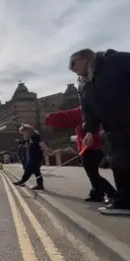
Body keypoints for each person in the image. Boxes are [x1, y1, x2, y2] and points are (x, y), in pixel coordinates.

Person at [69, 48, 130, 214]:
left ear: (86, 57)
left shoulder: (111, 61)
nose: (70, 68)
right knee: (119, 163)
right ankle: (124, 202)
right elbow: (89, 111)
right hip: (113, 128)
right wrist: (90, 131)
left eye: (72, 63)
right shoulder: (84, 85)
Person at [45, 106, 116, 203]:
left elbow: (67, 116)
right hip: (94, 149)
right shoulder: (90, 112)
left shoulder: (84, 112)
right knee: (92, 174)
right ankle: (97, 193)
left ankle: (112, 194)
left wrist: (51, 118)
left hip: (89, 149)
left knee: (93, 175)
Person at [13, 124, 53, 190]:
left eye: (23, 133)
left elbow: (41, 143)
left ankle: (22, 181)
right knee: (36, 171)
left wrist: (47, 150)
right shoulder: (30, 138)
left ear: (28, 131)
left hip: (36, 156)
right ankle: (40, 185)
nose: (23, 135)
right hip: (33, 155)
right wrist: (20, 142)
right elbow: (25, 144)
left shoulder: (35, 137)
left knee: (28, 168)